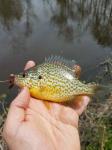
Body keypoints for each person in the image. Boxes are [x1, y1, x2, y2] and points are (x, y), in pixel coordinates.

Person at [3, 61, 90, 150]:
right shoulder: (32, 89)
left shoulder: (36, 88)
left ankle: (91, 90)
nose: (19, 79)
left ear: (38, 78)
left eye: (24, 76)